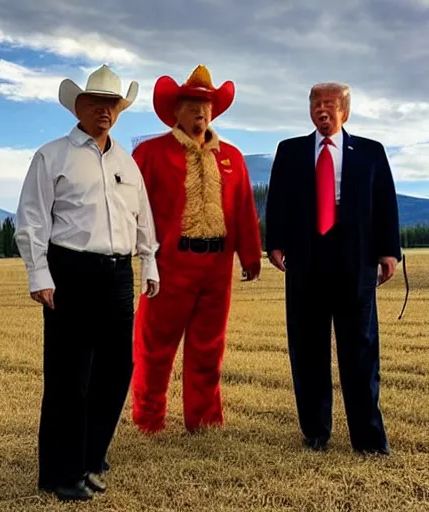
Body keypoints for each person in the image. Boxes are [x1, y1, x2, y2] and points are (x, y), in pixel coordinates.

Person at [14, 64, 160, 501]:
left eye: (111, 104)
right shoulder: (51, 155)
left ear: (119, 110)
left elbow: (142, 218)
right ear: (78, 107)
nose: (104, 111)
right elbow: (32, 220)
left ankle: (91, 456)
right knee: (69, 377)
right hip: (70, 271)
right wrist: (39, 273)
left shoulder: (126, 162)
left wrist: (148, 263)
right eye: (96, 103)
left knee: (117, 371)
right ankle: (61, 474)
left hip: (117, 274)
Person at [265, 82, 401, 455]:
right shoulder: (290, 151)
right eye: (316, 104)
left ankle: (369, 439)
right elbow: (276, 200)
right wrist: (273, 242)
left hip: (355, 258)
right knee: (308, 350)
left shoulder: (370, 153)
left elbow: (386, 202)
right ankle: (315, 432)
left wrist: (389, 251)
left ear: (345, 111)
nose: (322, 110)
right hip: (305, 258)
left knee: (360, 351)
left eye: (330, 104)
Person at [131, 65, 262, 433]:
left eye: (205, 106)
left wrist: (250, 256)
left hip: (217, 267)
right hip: (170, 265)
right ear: (176, 112)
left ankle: (204, 420)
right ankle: (149, 420)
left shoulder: (233, 158)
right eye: (191, 106)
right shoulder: (152, 154)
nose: (200, 113)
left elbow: (244, 209)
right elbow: (132, 206)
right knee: (154, 349)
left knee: (209, 349)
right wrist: (140, 254)